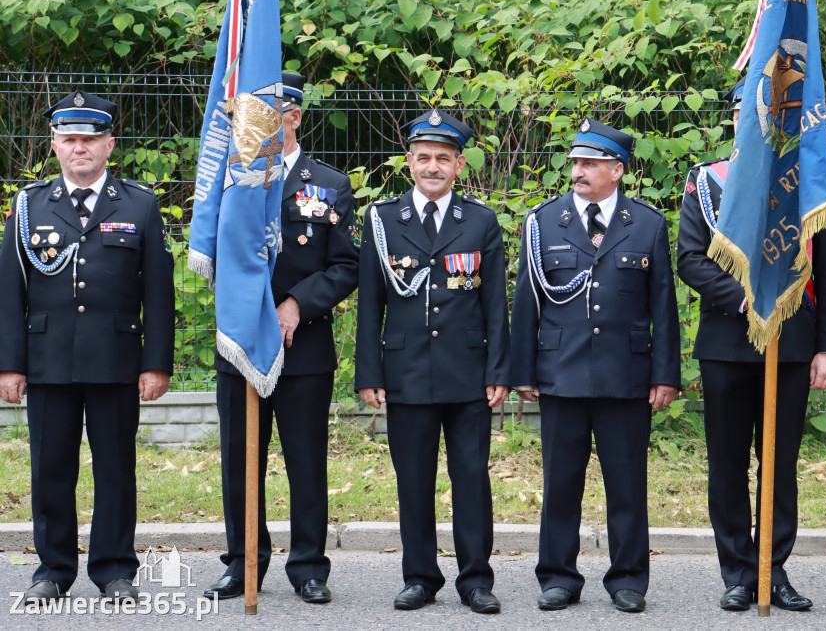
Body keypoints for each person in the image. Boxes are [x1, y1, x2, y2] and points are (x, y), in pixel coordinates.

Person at [676, 82, 826, 612]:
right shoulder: (707, 182)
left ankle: (774, 570)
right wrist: (745, 299)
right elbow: (690, 259)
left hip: (793, 345)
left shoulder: (807, 179)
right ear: (734, 120)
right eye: (746, 114)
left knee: (779, 464)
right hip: (727, 345)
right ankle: (738, 573)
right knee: (727, 464)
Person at [0, 90, 174, 603]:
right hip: (49, 359)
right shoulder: (30, 206)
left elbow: (158, 293)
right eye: (69, 139)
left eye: (90, 140)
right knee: (50, 467)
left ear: (109, 145)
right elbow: (10, 292)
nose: (80, 149)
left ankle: (115, 569)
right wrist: (9, 364)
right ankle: (52, 571)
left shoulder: (140, 204)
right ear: (54, 146)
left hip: (117, 361)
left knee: (116, 468)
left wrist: (156, 363)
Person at [509, 118, 680, 614]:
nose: (578, 172)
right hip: (560, 375)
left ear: (617, 170)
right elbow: (527, 302)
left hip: (626, 377)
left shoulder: (647, 224)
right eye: (576, 163)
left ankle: (628, 578)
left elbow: (662, 306)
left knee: (627, 484)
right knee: (560, 483)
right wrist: (523, 371)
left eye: (590, 163)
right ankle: (559, 575)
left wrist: (665, 373)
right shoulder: (543, 221)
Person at [203, 73, 360, 604]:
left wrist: (296, 303)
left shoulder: (330, 185)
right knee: (238, 458)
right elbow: (215, 251)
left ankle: (309, 566)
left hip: (303, 348)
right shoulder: (229, 181)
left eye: (269, 117)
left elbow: (344, 267)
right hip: (243, 342)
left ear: (293, 116)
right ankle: (243, 561)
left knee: (305, 459)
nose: (256, 129)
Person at [355, 109, 509, 615]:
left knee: (471, 478)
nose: (433, 167)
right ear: (408, 163)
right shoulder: (381, 219)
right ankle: (419, 576)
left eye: (443, 159)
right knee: (414, 481)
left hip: (468, 374)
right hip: (406, 374)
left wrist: (498, 372)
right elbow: (371, 303)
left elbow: (494, 307)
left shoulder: (481, 220)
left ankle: (476, 580)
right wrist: (369, 373)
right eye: (423, 158)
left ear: (459, 165)